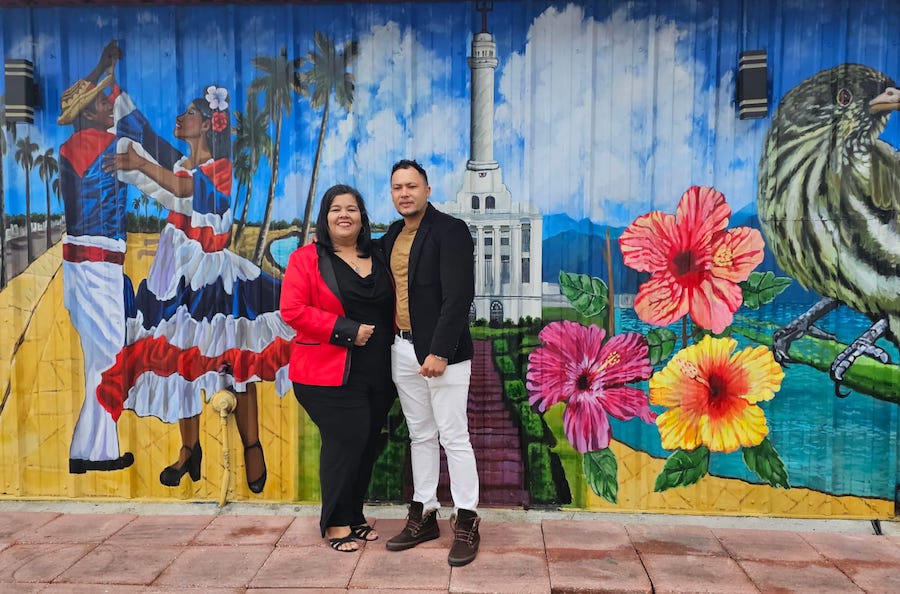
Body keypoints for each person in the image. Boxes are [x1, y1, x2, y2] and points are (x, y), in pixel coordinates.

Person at [102, 85, 293, 492]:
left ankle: (252, 444)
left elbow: (182, 188)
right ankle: (189, 449)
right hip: (175, 275)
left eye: (188, 113)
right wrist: (118, 99)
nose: (180, 118)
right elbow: (152, 148)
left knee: (234, 359)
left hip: (213, 280)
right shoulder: (181, 162)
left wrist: (138, 162)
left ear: (207, 123)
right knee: (181, 361)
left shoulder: (218, 167)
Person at [58, 40, 179, 474]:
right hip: (99, 268)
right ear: (90, 113)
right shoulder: (111, 149)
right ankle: (98, 452)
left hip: (80, 268)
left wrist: (102, 64)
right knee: (109, 360)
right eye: (102, 104)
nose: (110, 107)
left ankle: (86, 452)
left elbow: (88, 101)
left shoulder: (74, 146)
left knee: (99, 359)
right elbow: (168, 175)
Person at [279, 184, 397, 553]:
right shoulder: (306, 259)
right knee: (345, 441)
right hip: (326, 371)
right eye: (335, 209)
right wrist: (346, 331)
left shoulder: (379, 255)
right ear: (325, 218)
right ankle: (334, 523)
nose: (344, 214)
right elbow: (292, 311)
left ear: (363, 217)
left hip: (378, 372)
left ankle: (355, 516)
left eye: (351, 208)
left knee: (365, 444)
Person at [381, 159, 481, 566]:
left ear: (426, 189)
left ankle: (468, 518)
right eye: (397, 187)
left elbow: (459, 296)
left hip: (443, 353)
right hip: (401, 349)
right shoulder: (390, 235)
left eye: (411, 186)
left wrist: (439, 350)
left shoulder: (450, 230)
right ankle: (424, 513)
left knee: (453, 435)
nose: (404, 193)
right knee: (419, 435)